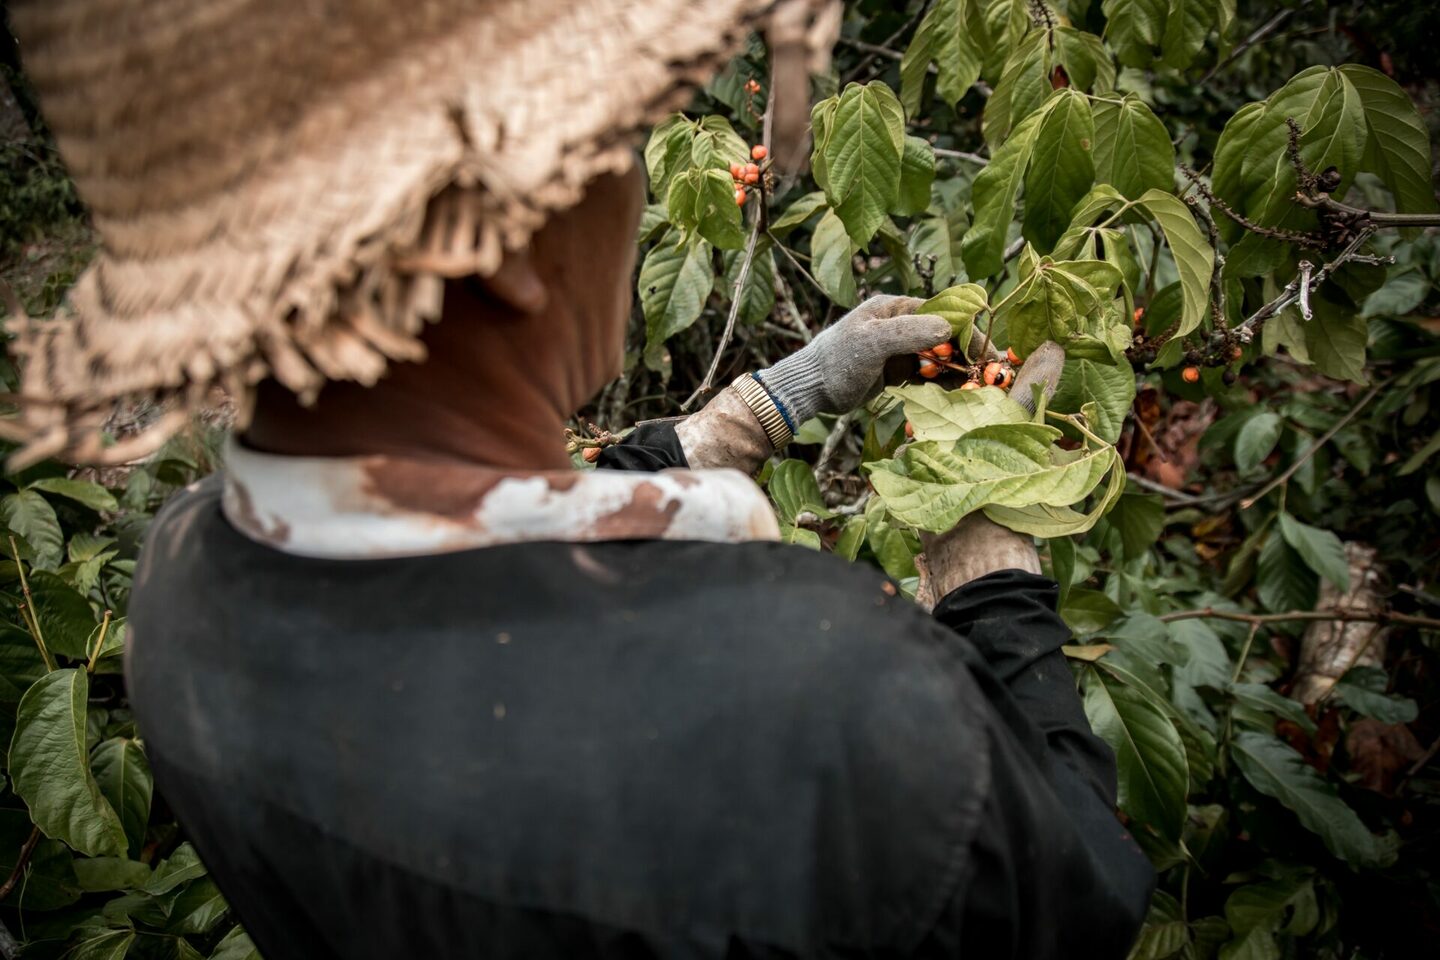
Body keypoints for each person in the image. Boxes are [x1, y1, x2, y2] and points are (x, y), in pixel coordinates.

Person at [7, 1, 1154, 957]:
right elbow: (1077, 897)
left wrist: (762, 406)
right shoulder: (832, 701)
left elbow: (489, 540)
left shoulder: (185, 576)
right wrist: (993, 578)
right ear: (500, 249)